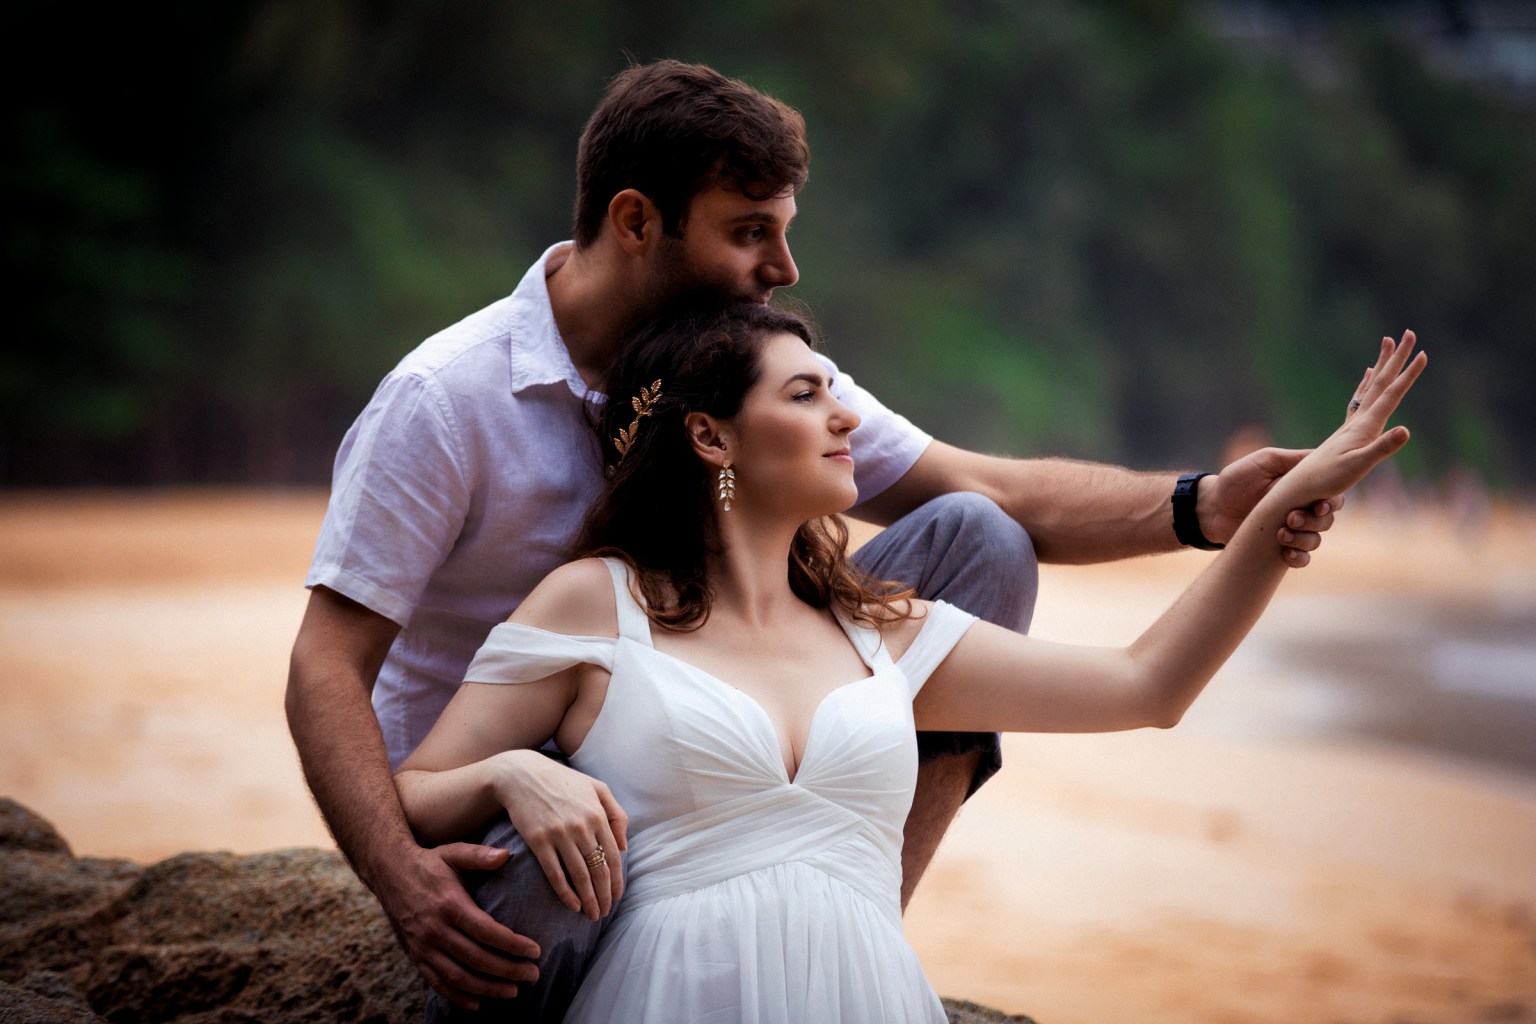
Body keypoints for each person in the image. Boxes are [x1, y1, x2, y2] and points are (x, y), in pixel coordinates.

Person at [285, 60, 1344, 1016]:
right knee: (576, 855)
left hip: (719, 694)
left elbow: (991, 492)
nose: (784, 266)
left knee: (979, 535)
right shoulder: (447, 399)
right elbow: (328, 663)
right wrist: (404, 875)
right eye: (750, 230)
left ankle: (856, 903)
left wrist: (1205, 508)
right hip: (499, 798)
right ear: (637, 220)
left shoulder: (753, 375)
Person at [394, 306, 1424, 1023]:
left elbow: (1146, 686)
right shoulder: (597, 604)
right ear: (710, 435)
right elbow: (419, 790)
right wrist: (514, 769)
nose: (846, 416)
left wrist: (1269, 524)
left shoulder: (883, 629)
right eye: (807, 396)